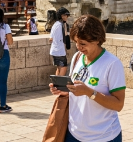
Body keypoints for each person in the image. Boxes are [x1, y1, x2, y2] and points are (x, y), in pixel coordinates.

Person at [49, 14, 126, 142]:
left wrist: (89, 92)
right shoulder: (77, 58)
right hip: (73, 134)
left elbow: (118, 104)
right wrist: (64, 91)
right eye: (76, 42)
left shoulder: (112, 64)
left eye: (83, 44)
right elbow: (77, 92)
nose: (78, 47)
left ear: (97, 40)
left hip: (103, 137)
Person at [50, 7, 71, 76]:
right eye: (65, 15)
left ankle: (56, 83)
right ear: (61, 16)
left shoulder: (56, 24)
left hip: (54, 50)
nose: (66, 17)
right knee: (64, 67)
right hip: (59, 50)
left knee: (59, 68)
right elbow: (60, 39)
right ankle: (60, 84)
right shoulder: (60, 25)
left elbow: (51, 38)